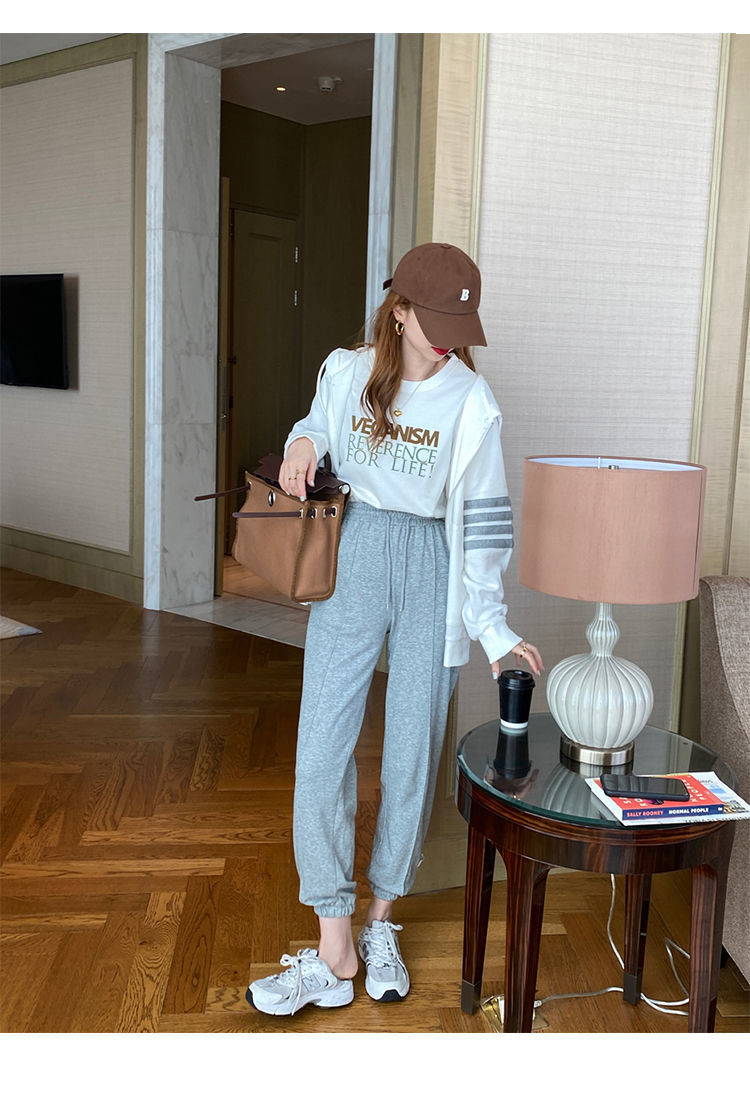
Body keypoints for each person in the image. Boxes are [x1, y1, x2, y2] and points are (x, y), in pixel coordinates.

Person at [246, 242, 543, 1017]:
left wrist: (493, 628)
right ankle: (333, 940)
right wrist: (304, 443)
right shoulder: (346, 371)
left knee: (412, 750)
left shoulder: (472, 401)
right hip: (356, 546)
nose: (449, 341)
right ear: (400, 311)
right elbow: (316, 424)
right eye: (436, 320)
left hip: (434, 563)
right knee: (323, 746)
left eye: (460, 325)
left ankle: (381, 921)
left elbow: (484, 521)